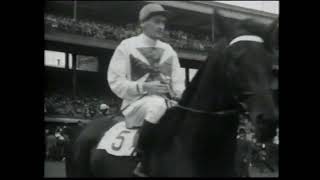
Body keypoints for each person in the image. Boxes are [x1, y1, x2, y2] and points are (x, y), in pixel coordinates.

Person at [107, 3, 185, 176]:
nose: (161, 27)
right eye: (157, 22)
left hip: (167, 103)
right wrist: (143, 87)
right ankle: (142, 158)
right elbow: (115, 82)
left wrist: (179, 95)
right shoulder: (126, 46)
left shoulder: (169, 50)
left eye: (163, 23)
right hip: (135, 104)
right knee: (157, 105)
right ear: (143, 23)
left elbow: (179, 83)